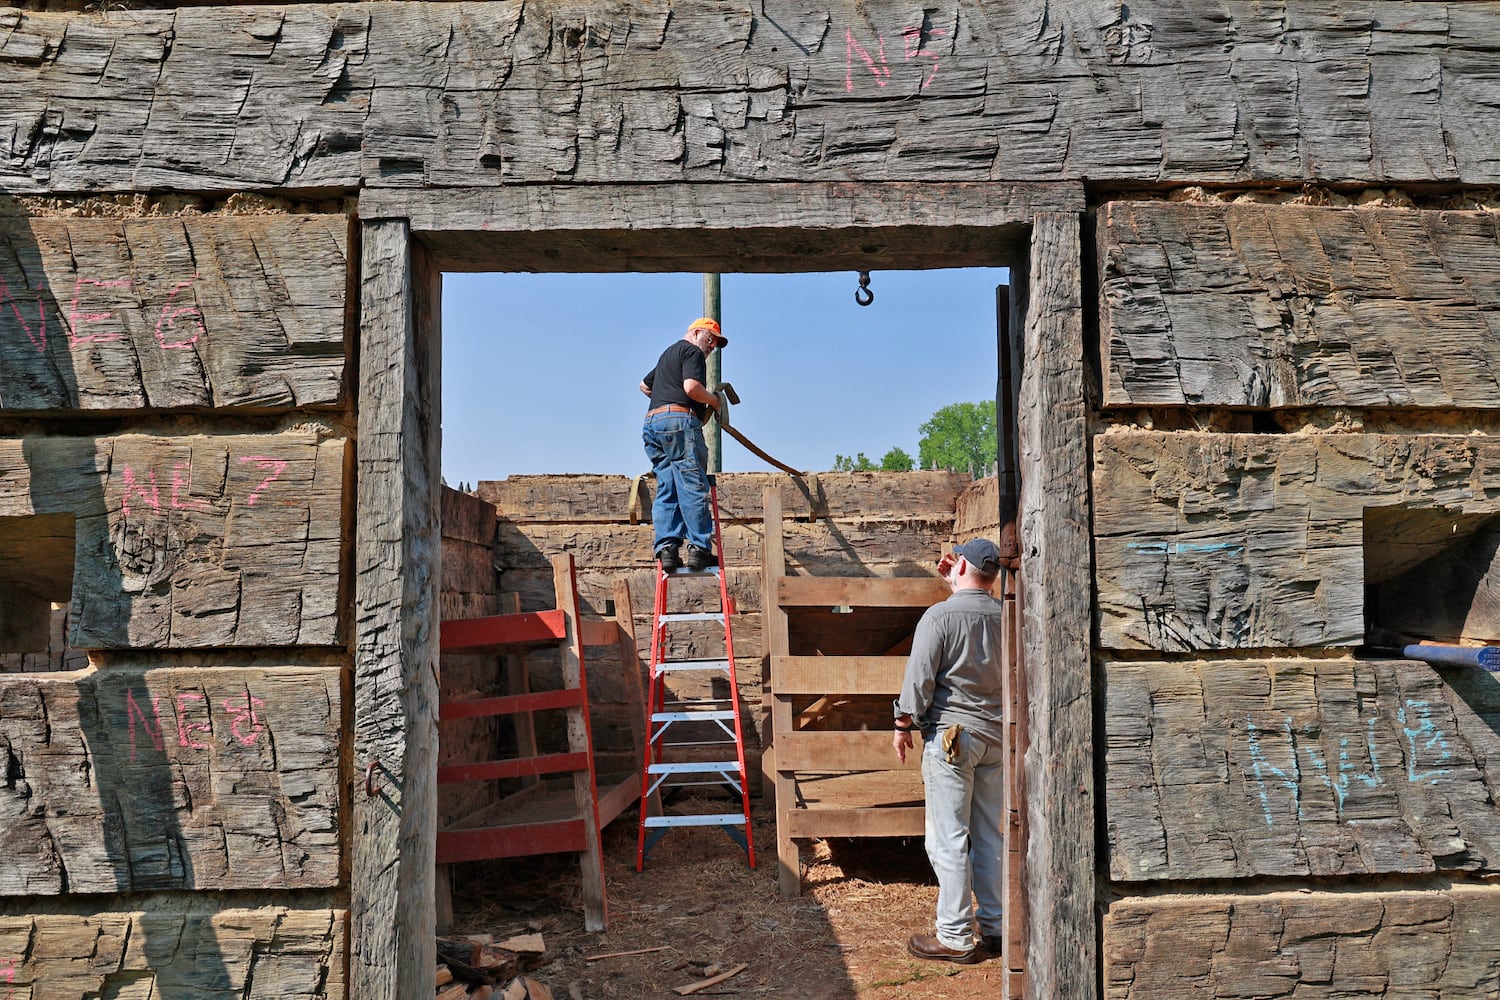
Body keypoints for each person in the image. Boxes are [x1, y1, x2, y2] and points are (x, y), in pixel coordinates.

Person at [893, 536, 1009, 964]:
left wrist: (902, 723)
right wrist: (956, 584)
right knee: (988, 835)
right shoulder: (1006, 615)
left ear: (960, 566)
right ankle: (996, 926)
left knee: (948, 838)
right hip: (997, 737)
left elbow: (920, 679)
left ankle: (956, 935)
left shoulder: (938, 617)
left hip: (952, 739)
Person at [639, 317, 728, 572]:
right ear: (696, 333)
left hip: (652, 424)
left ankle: (667, 549)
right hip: (679, 423)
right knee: (692, 484)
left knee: (667, 485)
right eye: (710, 339)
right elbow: (691, 387)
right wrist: (713, 401)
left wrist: (665, 399)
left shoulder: (668, 355)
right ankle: (699, 548)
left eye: (715, 344)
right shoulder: (692, 352)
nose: (711, 347)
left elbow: (645, 386)